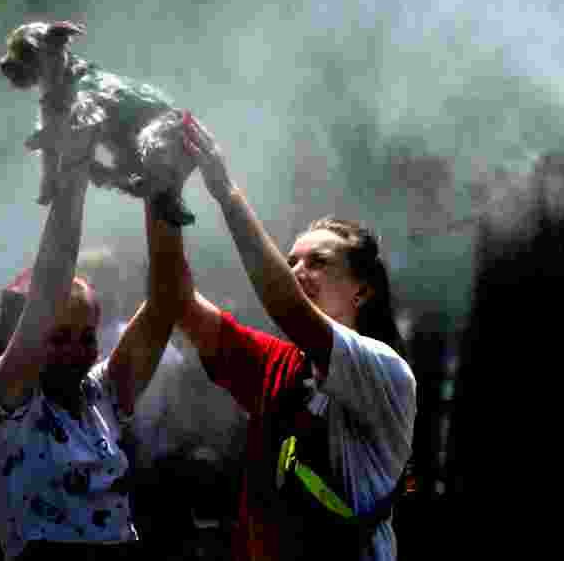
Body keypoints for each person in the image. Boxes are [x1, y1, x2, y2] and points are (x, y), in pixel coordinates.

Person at [173, 112, 417, 561]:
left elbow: (285, 306)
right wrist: (162, 195)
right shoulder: (279, 364)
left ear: (362, 289)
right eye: (292, 261)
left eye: (318, 261)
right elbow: (177, 299)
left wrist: (226, 194)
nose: (297, 271)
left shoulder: (385, 370)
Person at [0, 129, 191, 561]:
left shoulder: (101, 395)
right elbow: (53, 278)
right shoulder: (11, 402)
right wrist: (74, 170)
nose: (75, 350)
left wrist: (163, 188)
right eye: (57, 337)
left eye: (85, 337)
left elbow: (167, 300)